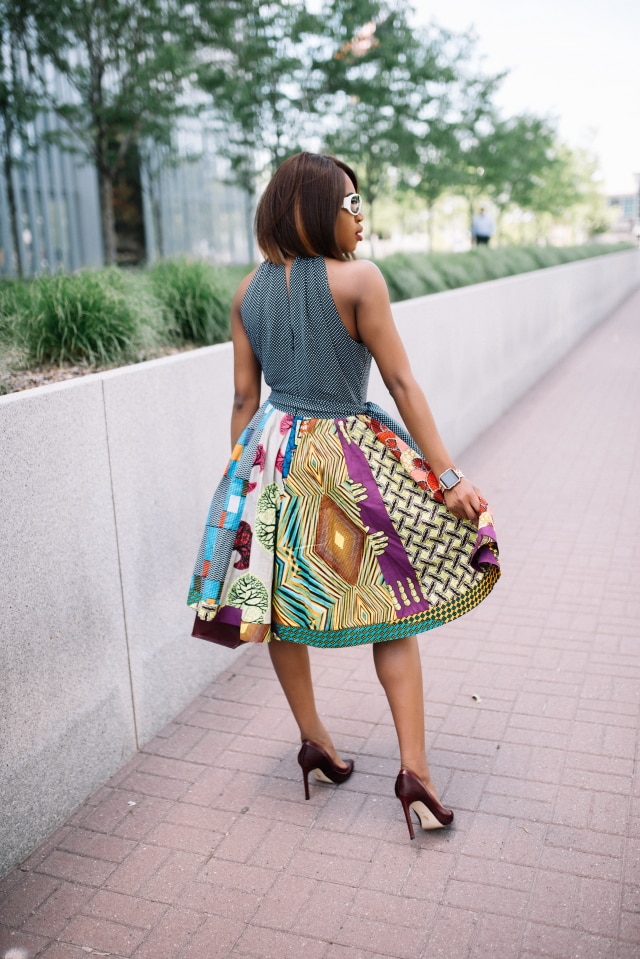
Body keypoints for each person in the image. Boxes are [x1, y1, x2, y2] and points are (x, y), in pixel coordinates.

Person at [187, 152, 499, 840]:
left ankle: (316, 743)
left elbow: (244, 397)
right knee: (392, 607)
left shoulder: (247, 291)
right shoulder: (359, 280)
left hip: (269, 457)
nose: (362, 218)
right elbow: (402, 383)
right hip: (344, 457)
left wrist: (241, 483)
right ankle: (414, 771)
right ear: (317, 209)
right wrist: (448, 477)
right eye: (353, 205)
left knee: (273, 601)